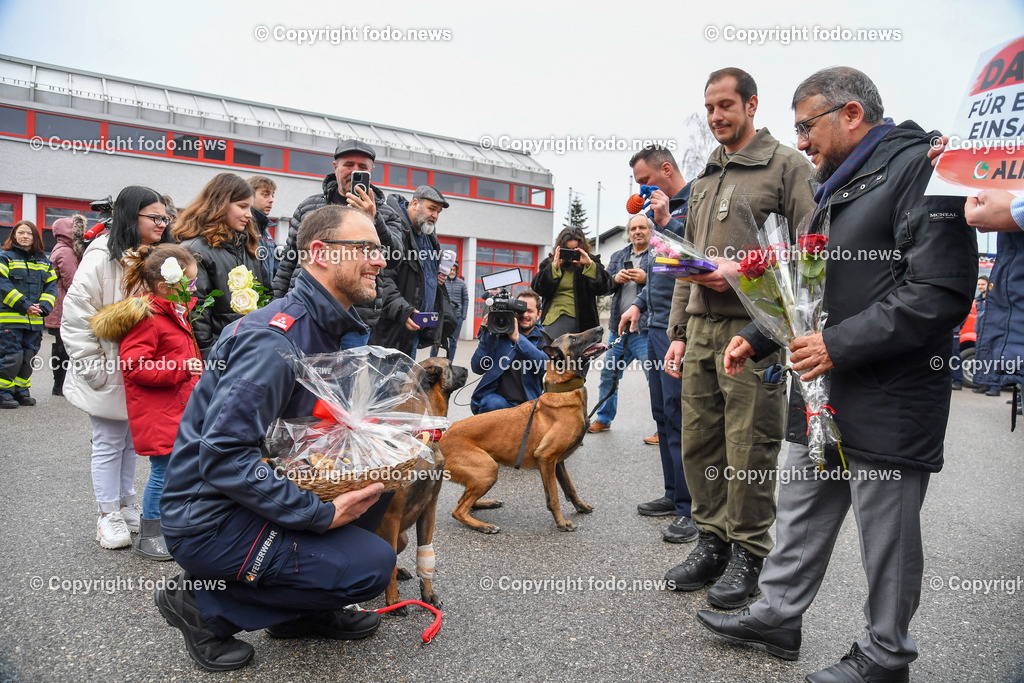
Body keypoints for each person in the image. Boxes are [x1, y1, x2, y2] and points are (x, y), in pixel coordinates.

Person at [698, 66, 977, 683]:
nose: (801, 140)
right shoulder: (835, 186)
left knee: (887, 537)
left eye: (807, 125)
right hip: (825, 391)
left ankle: (885, 655)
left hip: (889, 396)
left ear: (851, 114)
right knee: (800, 507)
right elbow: (811, 289)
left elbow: (940, 292)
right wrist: (756, 337)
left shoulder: (923, 172)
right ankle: (776, 616)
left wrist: (838, 345)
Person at [157, 205, 396, 672]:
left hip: (252, 497)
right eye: (367, 248)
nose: (381, 260)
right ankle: (203, 607)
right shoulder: (275, 341)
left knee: (377, 486)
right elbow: (225, 456)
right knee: (370, 565)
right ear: (322, 253)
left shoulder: (326, 326)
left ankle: (302, 612)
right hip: (209, 519)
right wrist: (318, 514)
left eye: (380, 249)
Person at [662, 67, 816, 609]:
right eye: (708, 108)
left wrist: (740, 273)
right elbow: (686, 262)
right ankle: (712, 542)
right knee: (700, 440)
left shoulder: (787, 167)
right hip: (701, 329)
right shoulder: (705, 178)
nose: (716, 117)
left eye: (726, 105)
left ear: (752, 104)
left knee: (748, 444)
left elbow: (813, 254)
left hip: (757, 330)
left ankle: (749, 554)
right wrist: (678, 332)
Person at [62, 185, 173, 549]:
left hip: (138, 372)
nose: (162, 223)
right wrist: (95, 370)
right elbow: (75, 320)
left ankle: (125, 502)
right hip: (108, 370)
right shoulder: (100, 260)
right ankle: (107, 512)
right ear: (131, 216)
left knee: (128, 441)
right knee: (109, 442)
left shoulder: (152, 258)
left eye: (165, 217)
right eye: (154, 217)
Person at [91, 244, 202, 561]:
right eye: (189, 283)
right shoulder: (150, 319)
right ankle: (151, 534)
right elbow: (134, 367)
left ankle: (170, 526)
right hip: (159, 412)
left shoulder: (174, 313)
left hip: (177, 407)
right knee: (163, 472)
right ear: (167, 286)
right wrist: (181, 370)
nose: (194, 288)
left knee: (176, 471)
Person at [620, 146, 698, 542]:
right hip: (652, 326)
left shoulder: (695, 201)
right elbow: (656, 274)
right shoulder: (655, 216)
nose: (642, 191)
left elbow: (695, 261)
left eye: (646, 182)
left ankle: (691, 509)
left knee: (681, 416)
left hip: (679, 330)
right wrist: (636, 305)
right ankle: (673, 494)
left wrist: (667, 222)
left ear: (666, 171)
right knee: (662, 414)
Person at [271, 139, 402, 332]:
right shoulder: (308, 207)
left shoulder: (387, 213)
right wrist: (276, 305)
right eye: (348, 165)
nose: (354, 171)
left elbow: (394, 258)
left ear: (371, 171)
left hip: (356, 316)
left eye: (362, 167)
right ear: (335, 167)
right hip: (305, 309)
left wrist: (374, 219)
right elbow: (289, 260)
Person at [172, 172, 270, 357]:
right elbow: (197, 312)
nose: (249, 214)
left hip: (250, 348)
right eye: (242, 206)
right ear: (220, 204)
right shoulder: (195, 249)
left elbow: (267, 294)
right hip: (221, 354)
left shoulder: (248, 246)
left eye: (249, 207)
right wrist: (212, 358)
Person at [589, 214, 652, 433]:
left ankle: (663, 427)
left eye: (642, 227)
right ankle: (604, 419)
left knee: (655, 378)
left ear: (650, 231)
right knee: (608, 374)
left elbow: (669, 285)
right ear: (629, 233)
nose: (637, 231)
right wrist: (615, 279)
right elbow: (604, 287)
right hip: (619, 329)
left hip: (646, 329)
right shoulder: (619, 255)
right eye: (633, 228)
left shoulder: (658, 255)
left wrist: (647, 277)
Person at [372, 185, 453, 356]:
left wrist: (434, 277)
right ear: (415, 203)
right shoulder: (394, 231)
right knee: (386, 380)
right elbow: (381, 279)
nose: (435, 216)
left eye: (438, 212)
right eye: (431, 209)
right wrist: (403, 311)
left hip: (414, 330)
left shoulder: (428, 235)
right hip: (391, 330)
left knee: (405, 381)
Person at [0, 220, 56, 408]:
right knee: (11, 357)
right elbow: (3, 286)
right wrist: (25, 306)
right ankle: (3, 393)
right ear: (14, 235)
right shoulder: (4, 258)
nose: (25, 236)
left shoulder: (44, 262)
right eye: (21, 233)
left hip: (34, 321)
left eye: (29, 233)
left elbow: (51, 287)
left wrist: (44, 307)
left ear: (35, 238)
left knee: (28, 357)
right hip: (10, 320)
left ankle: (21, 391)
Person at [470, 289, 547, 414]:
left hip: (528, 404)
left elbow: (544, 365)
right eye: (521, 310)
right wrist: (487, 333)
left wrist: (518, 339)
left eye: (530, 311)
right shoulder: (499, 333)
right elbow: (477, 367)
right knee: (491, 403)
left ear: (539, 314)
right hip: (498, 402)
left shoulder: (543, 338)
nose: (525, 315)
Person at [531, 227, 611, 340]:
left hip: (584, 321)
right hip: (555, 316)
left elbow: (604, 287)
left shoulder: (591, 261)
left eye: (575, 250)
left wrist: (590, 265)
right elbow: (537, 288)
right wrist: (554, 268)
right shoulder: (550, 263)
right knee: (551, 348)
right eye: (567, 250)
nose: (571, 254)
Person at [44, 215, 85, 396]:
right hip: (63, 306)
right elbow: (73, 281)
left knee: (60, 345)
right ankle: (60, 385)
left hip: (59, 304)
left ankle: (59, 384)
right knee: (64, 347)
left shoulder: (61, 248)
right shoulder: (66, 252)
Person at [969, 275, 1000, 396]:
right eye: (979, 284)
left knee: (992, 360)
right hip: (980, 334)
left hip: (991, 333)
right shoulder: (978, 299)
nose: (980, 286)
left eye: (983, 284)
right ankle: (984, 384)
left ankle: (995, 387)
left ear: (989, 285)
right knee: (982, 360)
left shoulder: (993, 299)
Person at [246, 175, 280, 280]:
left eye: (272, 195)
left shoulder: (266, 232)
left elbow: (277, 270)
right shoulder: (243, 228)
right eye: (265, 195)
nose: (271, 200)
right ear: (250, 196)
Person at [435, 261, 469, 360]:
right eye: (450, 269)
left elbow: (466, 300)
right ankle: (432, 360)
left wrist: (463, 316)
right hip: (442, 317)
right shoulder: (441, 282)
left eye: (454, 270)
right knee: (436, 341)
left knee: (453, 343)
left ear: (457, 271)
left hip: (457, 318)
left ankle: (449, 363)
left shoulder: (462, 284)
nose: (452, 272)